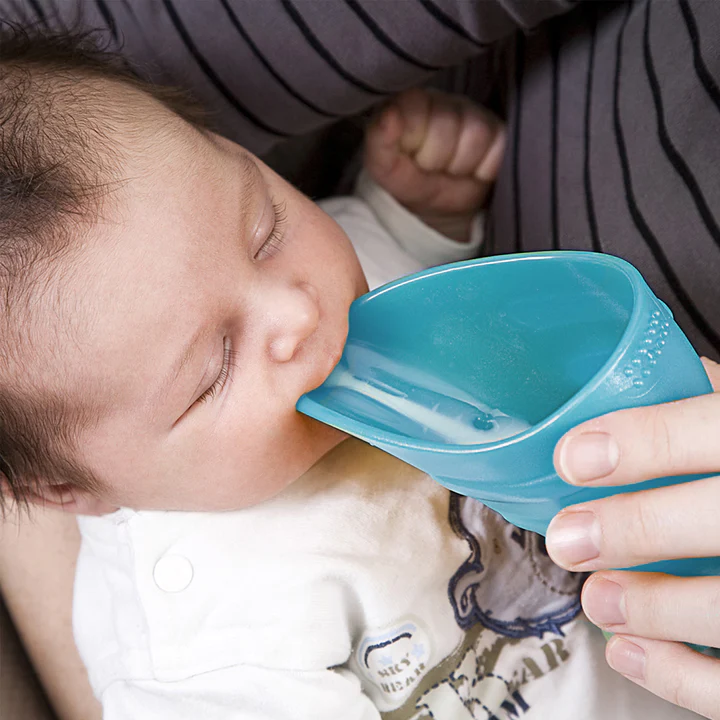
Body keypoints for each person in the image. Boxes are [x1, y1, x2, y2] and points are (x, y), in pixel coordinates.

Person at [2, 2, 720, 718]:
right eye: (215, 369)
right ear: (73, 491)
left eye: (266, 229)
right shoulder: (201, 656)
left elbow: (406, 278)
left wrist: (422, 215)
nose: (299, 312)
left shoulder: (327, 283)